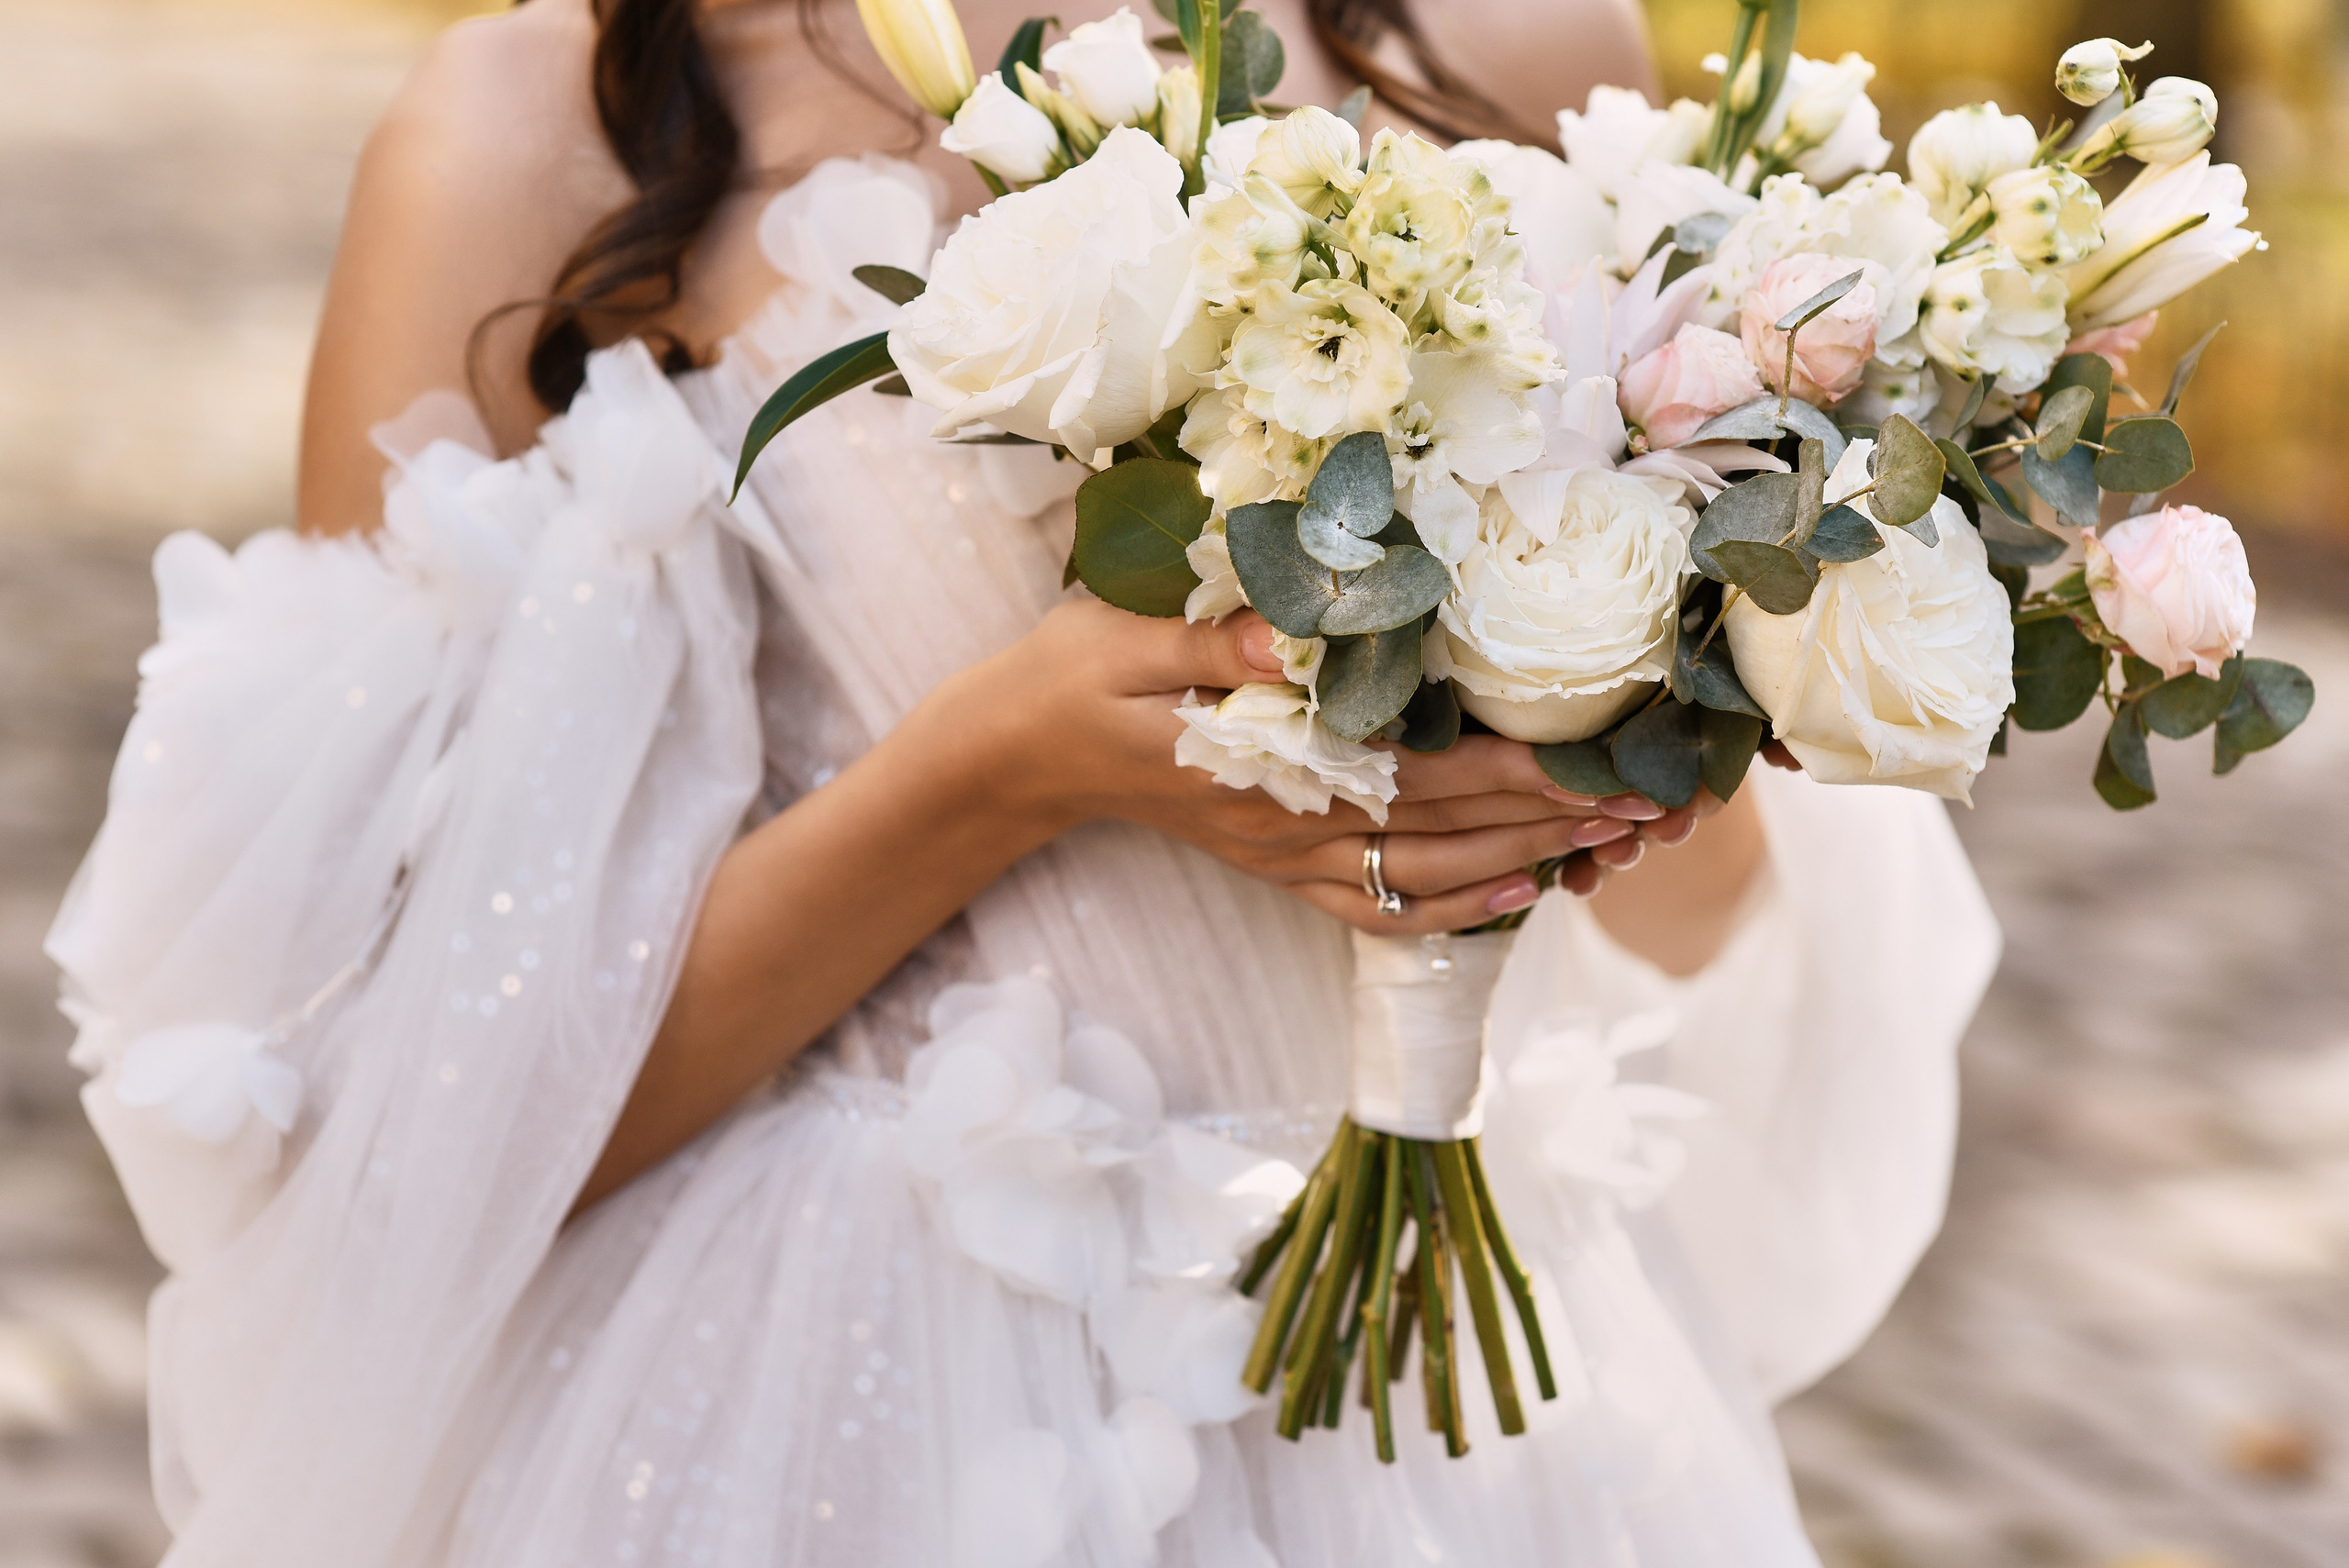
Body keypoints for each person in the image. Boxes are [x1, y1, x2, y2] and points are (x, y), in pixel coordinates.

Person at [48, 1, 1999, 1563]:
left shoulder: (1517, 43)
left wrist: (1586, 757)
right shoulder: (536, 134)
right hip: (844, 1398)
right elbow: (416, 1115)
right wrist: (1006, 764)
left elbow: (1705, 899)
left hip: (1466, 1426)